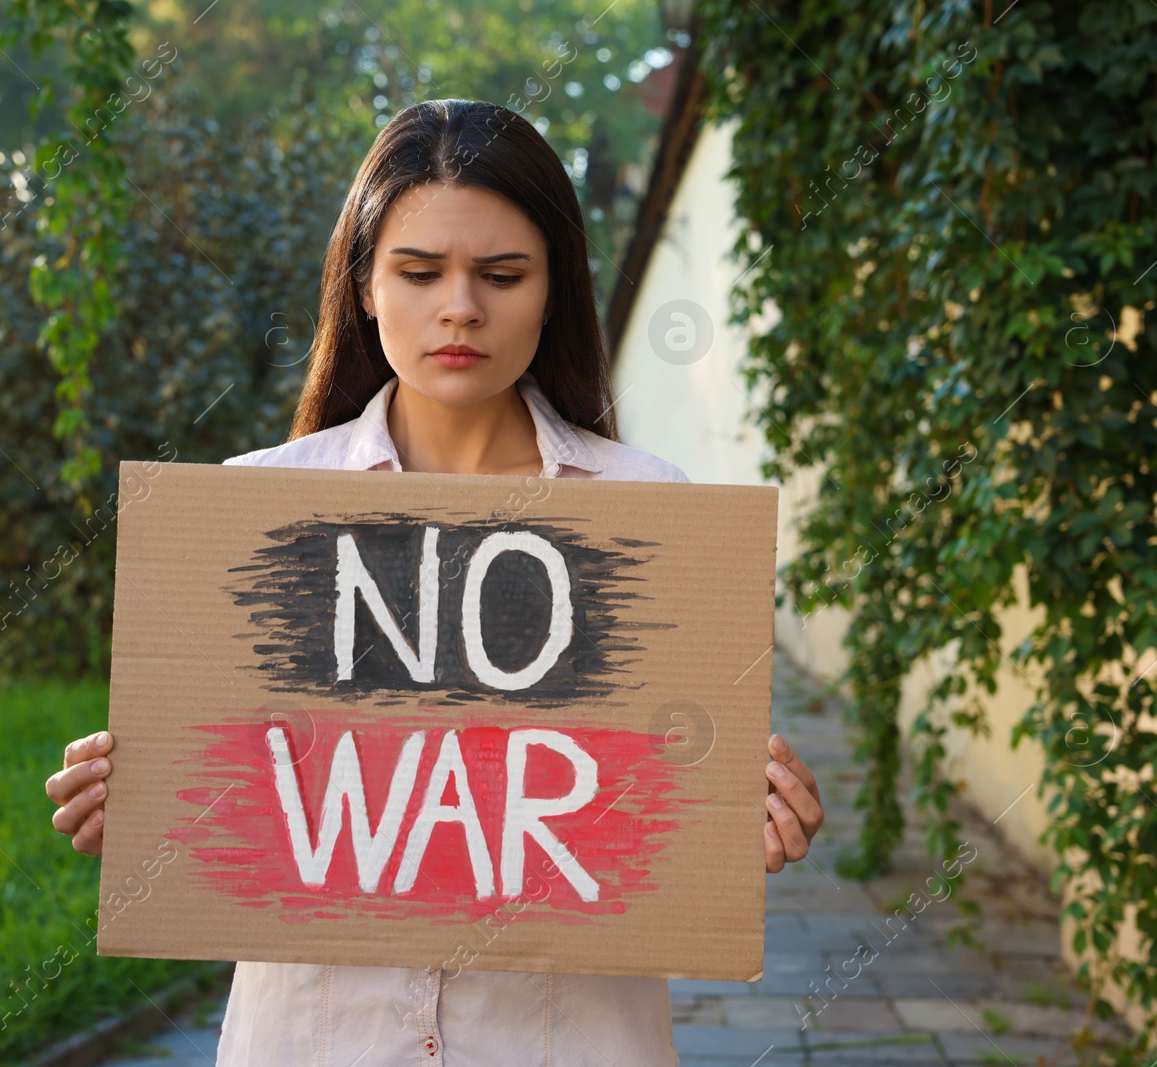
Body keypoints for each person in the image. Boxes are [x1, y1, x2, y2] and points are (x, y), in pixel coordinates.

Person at [45, 98, 825, 1066]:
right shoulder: (255, 509)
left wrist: (729, 814)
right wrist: (144, 796)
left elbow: (657, 809)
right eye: (419, 272)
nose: (460, 306)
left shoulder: (650, 511)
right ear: (364, 285)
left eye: (502, 274)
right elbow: (238, 803)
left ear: (553, 291)